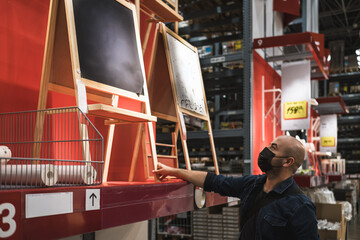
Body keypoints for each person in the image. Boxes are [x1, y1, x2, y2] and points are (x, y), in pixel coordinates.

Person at [153, 135, 319, 240]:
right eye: (269, 145)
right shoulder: (252, 184)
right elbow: (213, 181)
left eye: (273, 148)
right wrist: (173, 171)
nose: (266, 151)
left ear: (288, 162)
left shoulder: (300, 206)